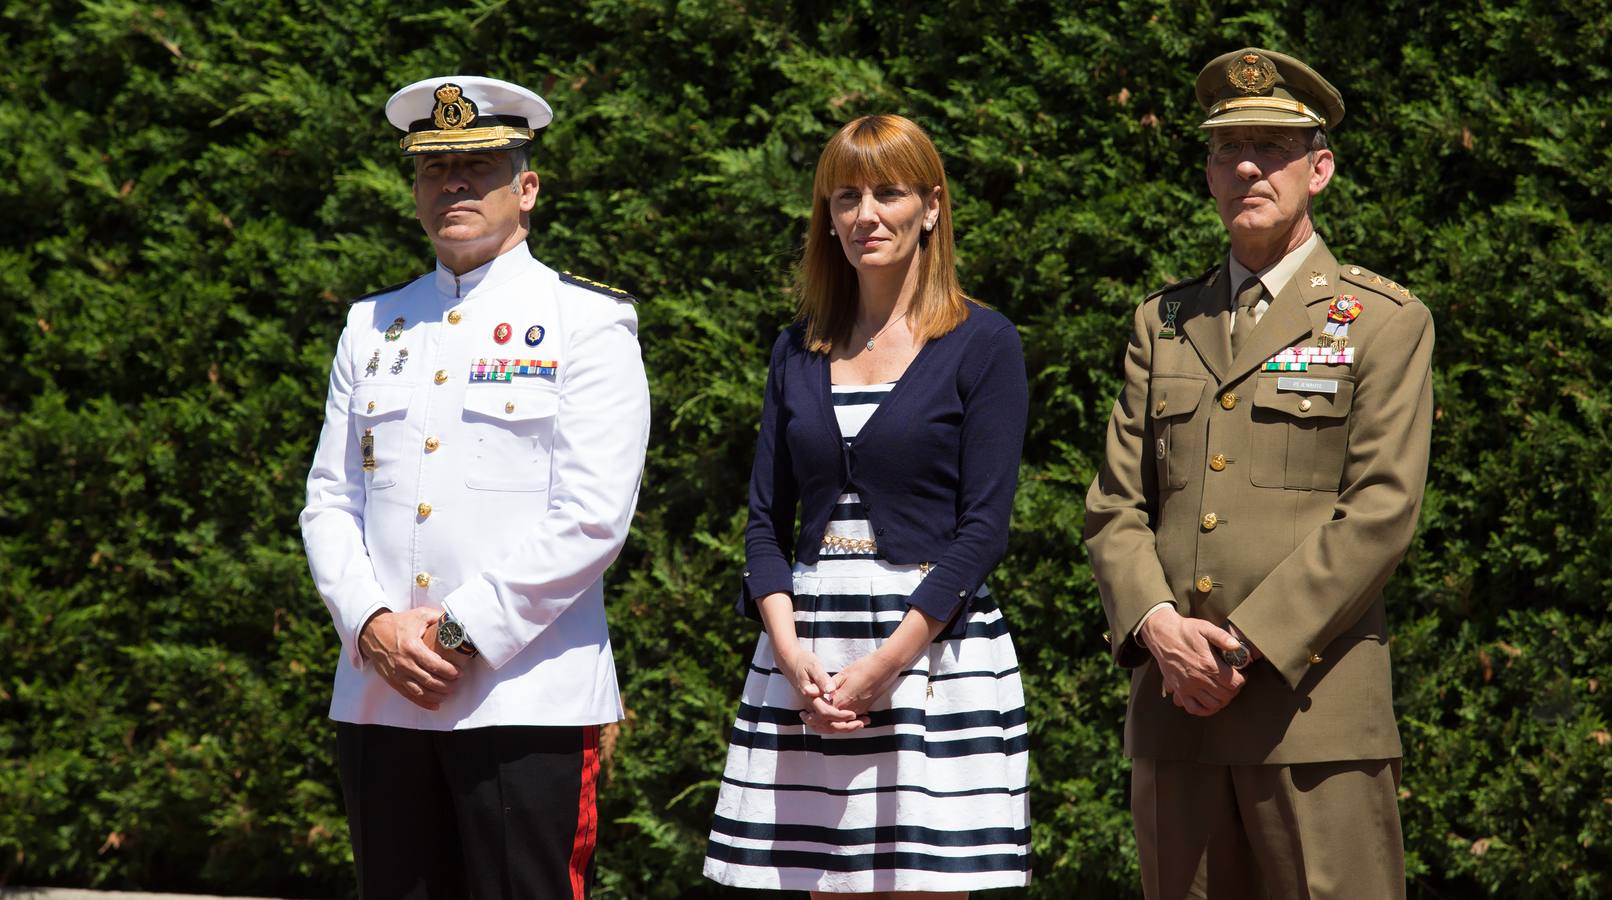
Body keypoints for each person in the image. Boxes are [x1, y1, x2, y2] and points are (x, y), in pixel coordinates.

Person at [1084, 48, 1435, 899]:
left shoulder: (1382, 323)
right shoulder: (1162, 322)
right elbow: (1114, 507)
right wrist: (1160, 629)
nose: (1246, 166)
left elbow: (1382, 511)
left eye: (1271, 148)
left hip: (1312, 723)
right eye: (1225, 148)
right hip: (1177, 716)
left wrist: (1247, 645)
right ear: (1208, 174)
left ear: (1319, 169)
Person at [299, 75, 650, 899]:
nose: (453, 183)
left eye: (480, 166)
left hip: (524, 698)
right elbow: (329, 500)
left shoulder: (587, 322)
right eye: (434, 168)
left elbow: (593, 516)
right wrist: (374, 627)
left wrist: (458, 633)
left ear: (526, 188)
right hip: (381, 693)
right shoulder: (371, 324)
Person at [703, 114, 1032, 897]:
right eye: (845, 196)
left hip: (931, 664)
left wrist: (887, 664)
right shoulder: (797, 349)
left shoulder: (984, 343)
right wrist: (789, 654)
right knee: (817, 887)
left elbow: (984, 529)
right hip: (808, 665)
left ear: (932, 206)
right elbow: (763, 524)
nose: (865, 214)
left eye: (888, 192)